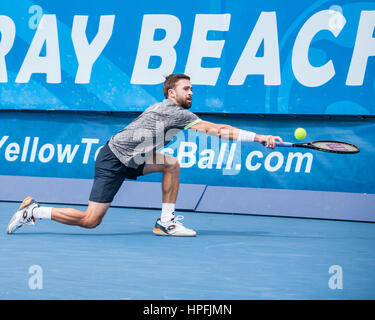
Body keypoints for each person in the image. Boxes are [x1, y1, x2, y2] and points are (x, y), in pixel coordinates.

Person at [6, 73, 283, 237]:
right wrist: (258, 137)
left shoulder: (175, 111)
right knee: (91, 220)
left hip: (134, 157)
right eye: (186, 89)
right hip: (114, 158)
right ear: (170, 92)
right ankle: (34, 211)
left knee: (171, 164)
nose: (191, 92)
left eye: (192, 89)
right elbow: (217, 130)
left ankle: (166, 222)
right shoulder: (175, 112)